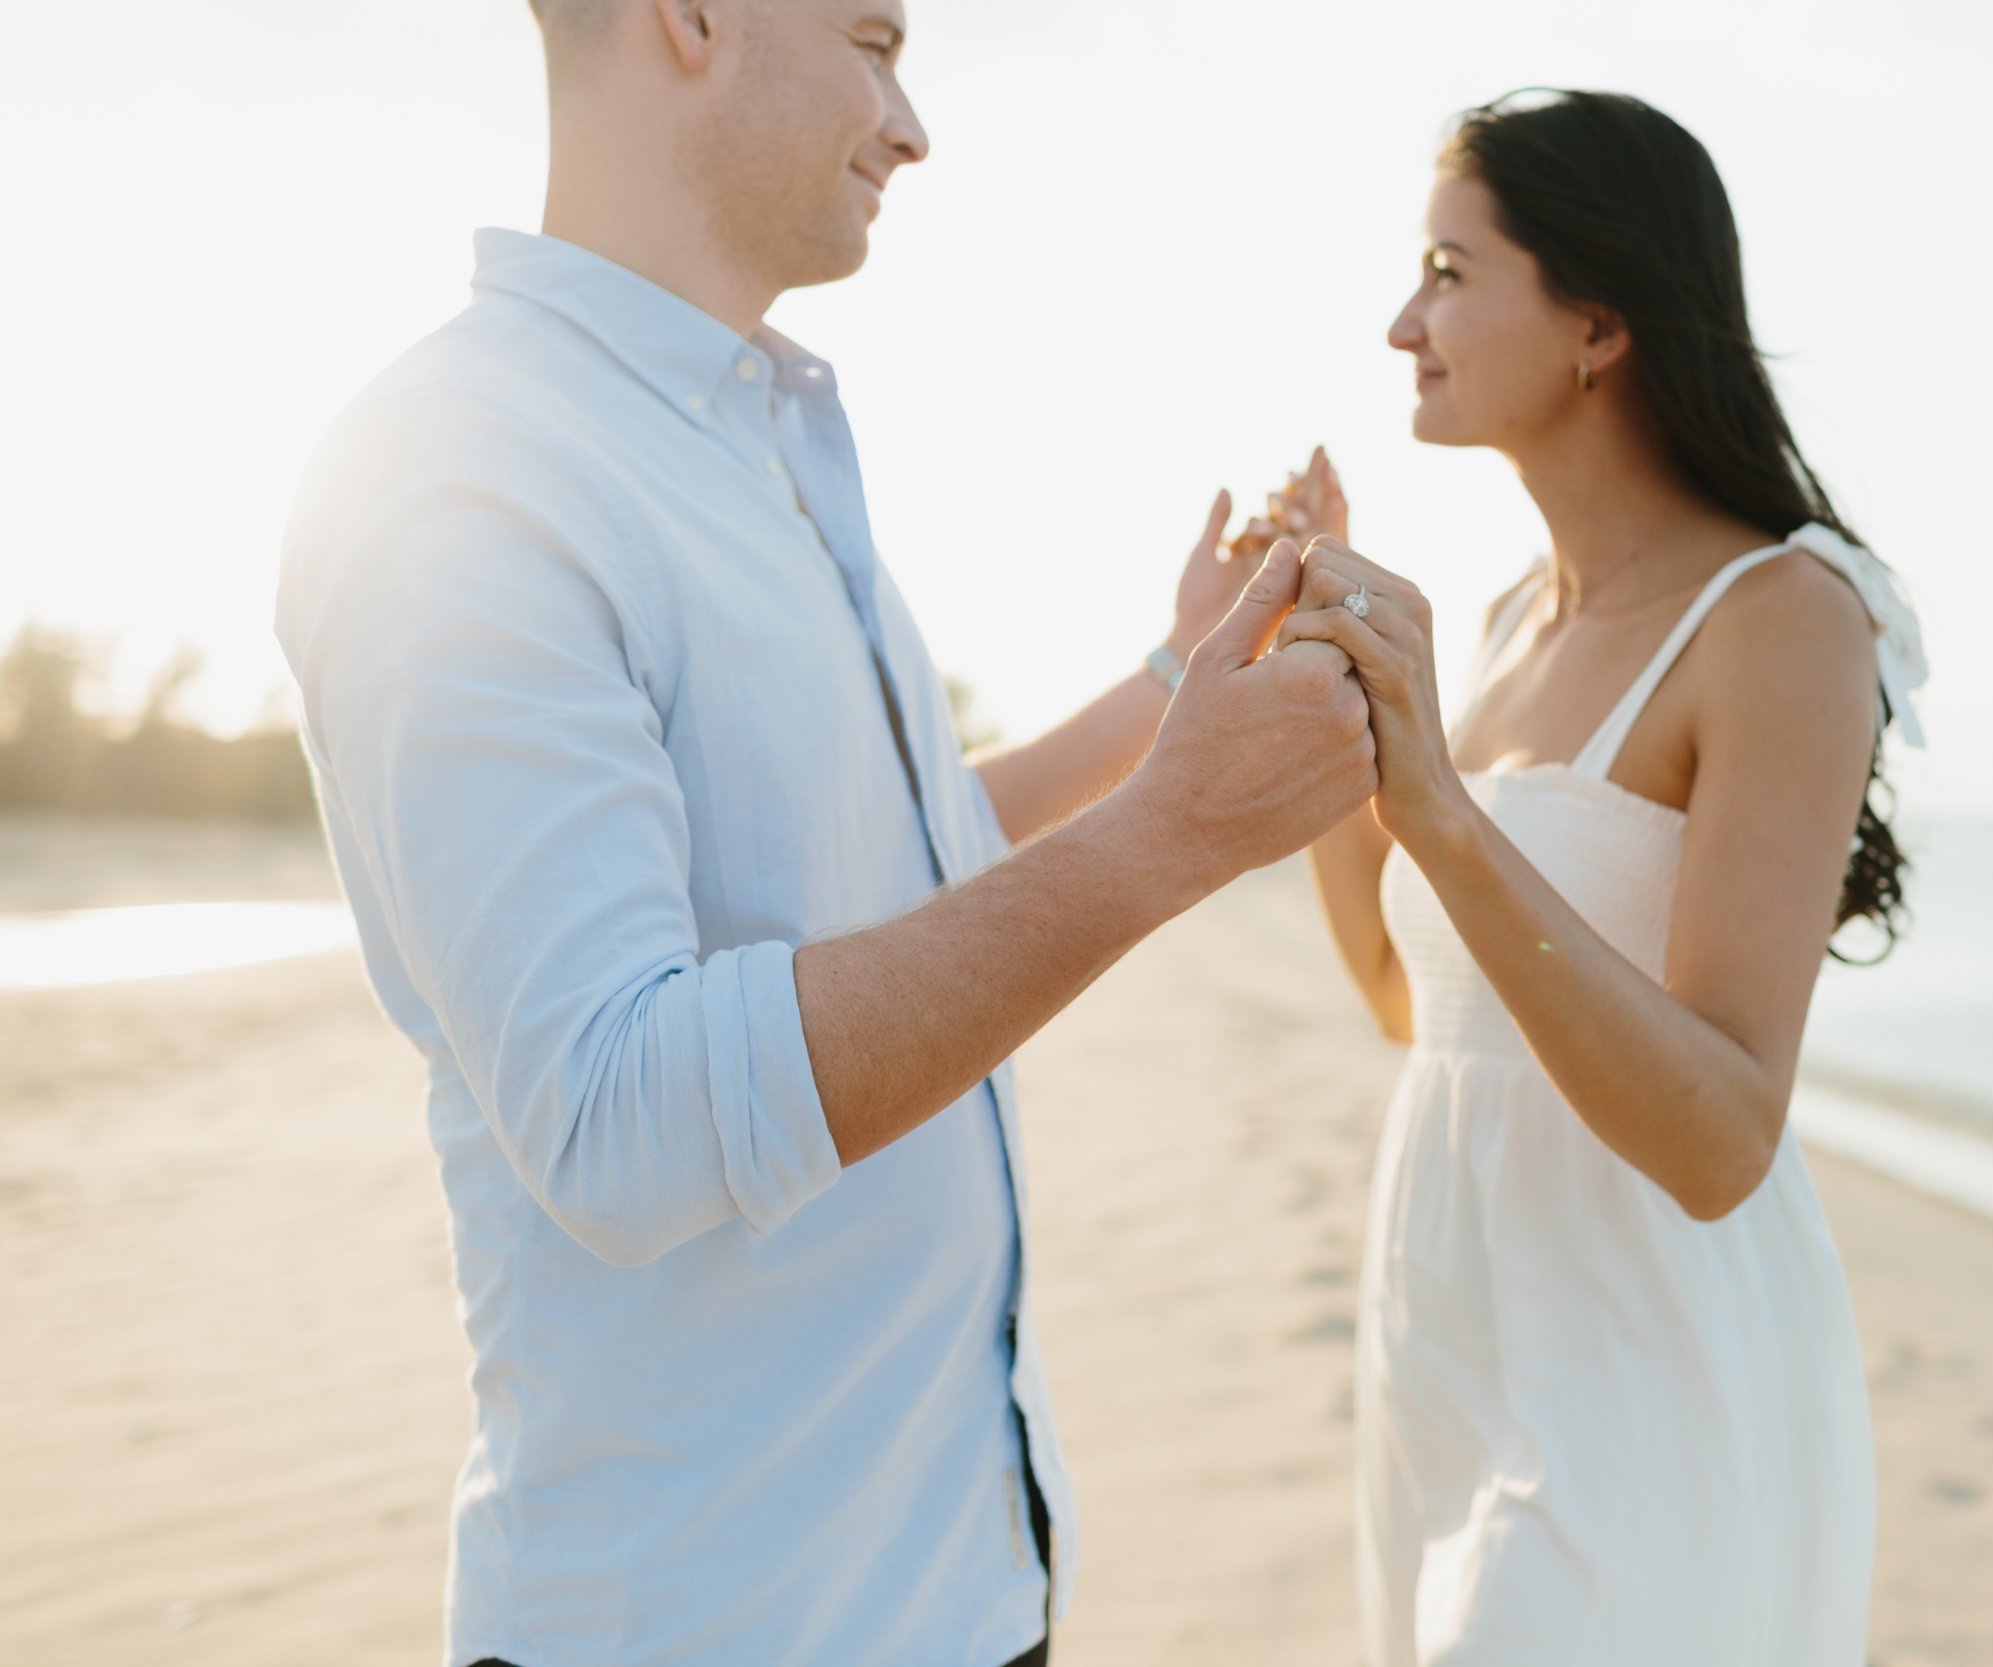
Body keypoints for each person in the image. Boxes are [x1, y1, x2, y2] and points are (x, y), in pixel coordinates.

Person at [273, 3, 1375, 1663]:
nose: (909, 122)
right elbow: (618, 1112)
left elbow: (884, 858)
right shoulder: (466, 469)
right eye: (875, 39)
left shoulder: (748, 440)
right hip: (721, 1619)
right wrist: (1171, 838)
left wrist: (1164, 692)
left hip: (957, 1584)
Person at [1264, 91, 1928, 1666]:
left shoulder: (1783, 617)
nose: (1399, 323)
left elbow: (1719, 1136)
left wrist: (1434, 800)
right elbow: (1396, 1000)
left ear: (1599, 324)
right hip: (1449, 1343)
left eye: (1447, 271)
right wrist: (1318, 697)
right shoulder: (1499, 627)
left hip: (1648, 1371)